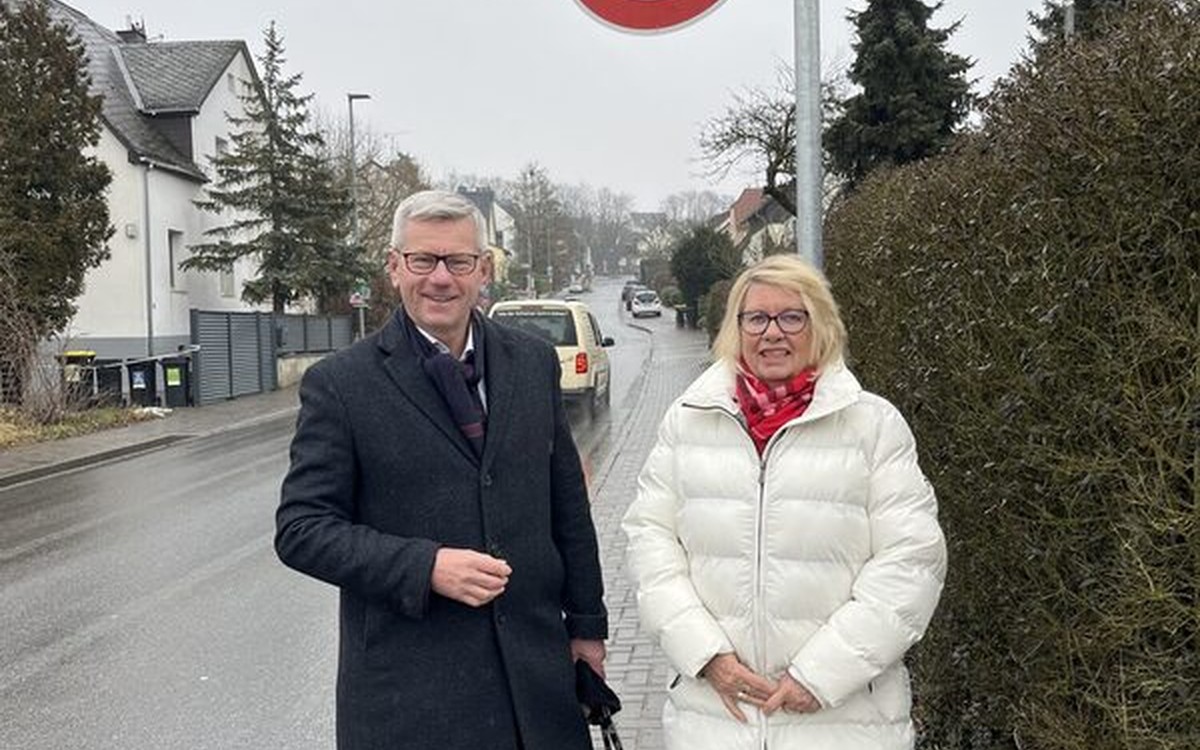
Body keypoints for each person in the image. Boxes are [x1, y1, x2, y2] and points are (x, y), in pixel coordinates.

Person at [276, 190, 607, 750]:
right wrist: (423, 565)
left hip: (535, 683)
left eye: (458, 261)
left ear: (483, 270)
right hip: (411, 698)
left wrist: (587, 627)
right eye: (422, 260)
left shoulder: (530, 362)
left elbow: (567, 506)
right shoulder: (342, 384)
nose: (440, 279)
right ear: (394, 267)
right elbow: (302, 529)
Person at [622, 254, 946, 749]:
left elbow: (912, 563)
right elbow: (651, 543)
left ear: (821, 325)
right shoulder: (687, 420)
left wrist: (820, 675)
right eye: (756, 318)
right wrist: (706, 655)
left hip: (845, 721)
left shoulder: (873, 426)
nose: (772, 332)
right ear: (736, 327)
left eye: (792, 316)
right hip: (714, 719)